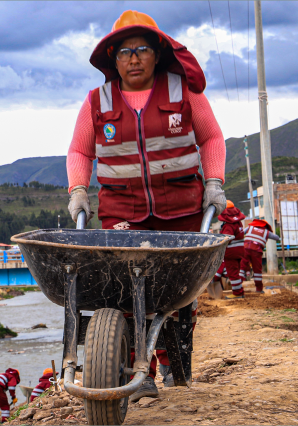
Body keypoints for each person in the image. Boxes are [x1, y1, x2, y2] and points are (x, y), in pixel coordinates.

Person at [66, 10, 227, 402]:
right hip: (124, 214)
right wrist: (78, 191)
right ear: (113, 58)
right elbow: (80, 150)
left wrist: (214, 183)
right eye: (125, 51)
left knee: (177, 296)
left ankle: (175, 360)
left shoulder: (183, 92)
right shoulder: (97, 102)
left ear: (157, 53)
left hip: (182, 212)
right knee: (123, 293)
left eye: (141, 49)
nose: (134, 58)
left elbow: (211, 137)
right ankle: (138, 373)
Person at [215, 201, 247, 299]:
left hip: (230, 253)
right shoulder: (238, 223)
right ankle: (240, 291)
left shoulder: (228, 225)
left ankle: (237, 293)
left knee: (232, 273)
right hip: (239, 252)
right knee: (236, 273)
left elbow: (226, 239)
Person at [240, 218, 280, 293]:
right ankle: (259, 289)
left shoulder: (250, 228)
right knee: (257, 270)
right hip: (257, 251)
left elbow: (240, 233)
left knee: (242, 267)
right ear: (266, 226)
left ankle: (237, 287)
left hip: (245, 248)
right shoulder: (266, 232)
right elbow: (277, 238)